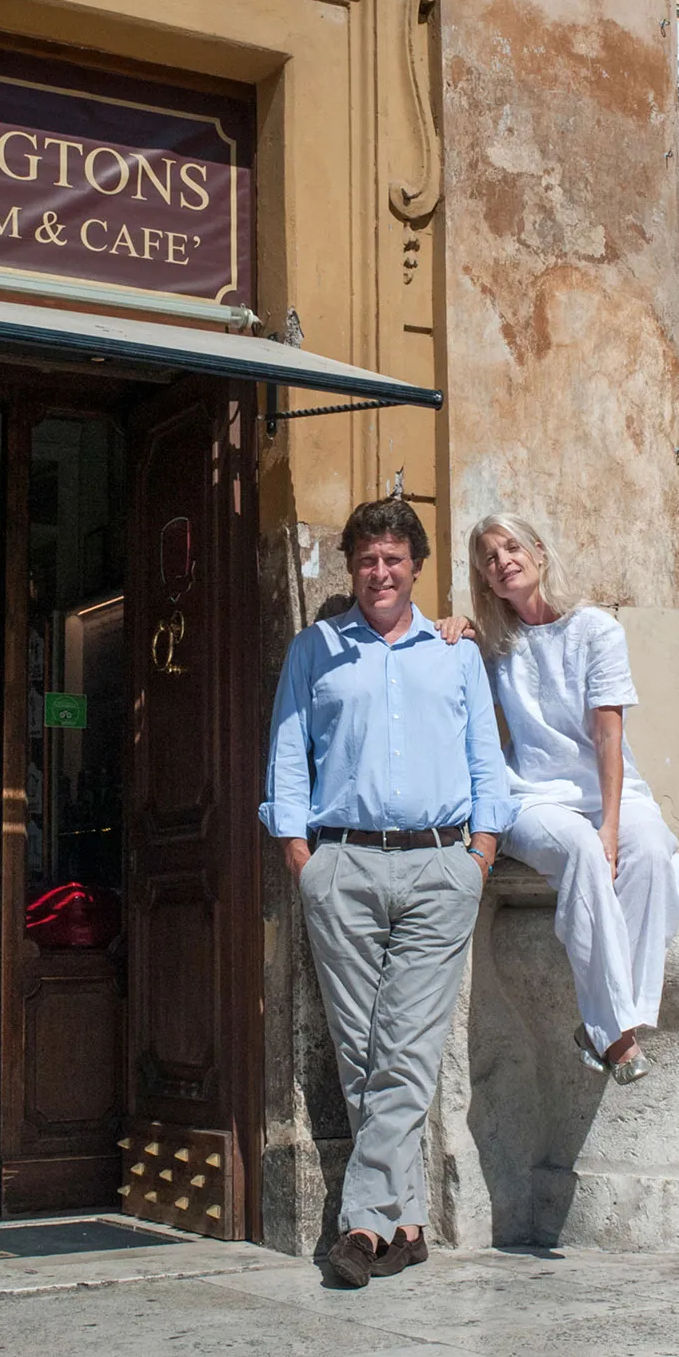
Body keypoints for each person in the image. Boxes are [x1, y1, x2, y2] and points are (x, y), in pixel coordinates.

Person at [258, 497, 514, 1289]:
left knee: (402, 1048)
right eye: (367, 559)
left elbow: (486, 759)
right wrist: (304, 857)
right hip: (344, 867)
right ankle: (408, 1224)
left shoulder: (456, 654)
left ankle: (362, 1228)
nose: (380, 572)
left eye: (394, 559)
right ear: (352, 568)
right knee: (364, 1052)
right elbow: (289, 754)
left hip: (442, 867)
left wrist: (481, 854)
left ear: (415, 567)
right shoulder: (316, 650)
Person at [441, 515, 679, 1084]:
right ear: (486, 580)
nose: (502, 560)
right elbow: (449, 650)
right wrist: (456, 626)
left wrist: (612, 825)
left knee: (650, 851)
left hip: (606, 791)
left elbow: (608, 734)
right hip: (530, 797)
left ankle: (603, 1025)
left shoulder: (596, 630)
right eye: (488, 558)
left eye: (511, 547)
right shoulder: (496, 644)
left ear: (539, 552)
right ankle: (616, 1036)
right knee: (580, 849)